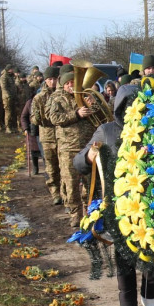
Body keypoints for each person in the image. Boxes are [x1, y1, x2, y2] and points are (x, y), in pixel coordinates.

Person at [73, 84, 154, 306]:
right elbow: (79, 163)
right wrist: (87, 157)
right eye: (127, 105)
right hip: (119, 203)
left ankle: (150, 296)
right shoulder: (106, 131)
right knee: (124, 256)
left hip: (150, 201)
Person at [48, 71, 105, 228]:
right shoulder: (57, 98)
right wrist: (76, 114)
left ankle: (90, 212)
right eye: (68, 83)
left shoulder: (86, 95)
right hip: (68, 148)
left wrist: (93, 103)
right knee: (71, 184)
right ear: (64, 85)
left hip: (88, 147)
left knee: (91, 183)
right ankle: (75, 214)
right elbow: (54, 118)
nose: (71, 85)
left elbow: (102, 117)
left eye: (73, 82)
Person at [33, 65, 63, 205]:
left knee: (64, 167)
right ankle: (55, 193)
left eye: (55, 79)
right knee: (51, 167)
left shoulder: (63, 95)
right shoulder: (39, 98)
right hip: (47, 136)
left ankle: (65, 194)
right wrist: (37, 118)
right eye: (49, 79)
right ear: (45, 80)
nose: (52, 82)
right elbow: (33, 117)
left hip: (63, 136)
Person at [0, 67, 20, 134]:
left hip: (13, 97)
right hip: (7, 98)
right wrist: (8, 95)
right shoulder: (4, 77)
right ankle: (8, 127)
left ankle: (14, 127)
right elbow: (4, 87)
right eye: (11, 69)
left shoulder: (11, 76)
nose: (12, 70)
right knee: (8, 112)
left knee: (14, 112)